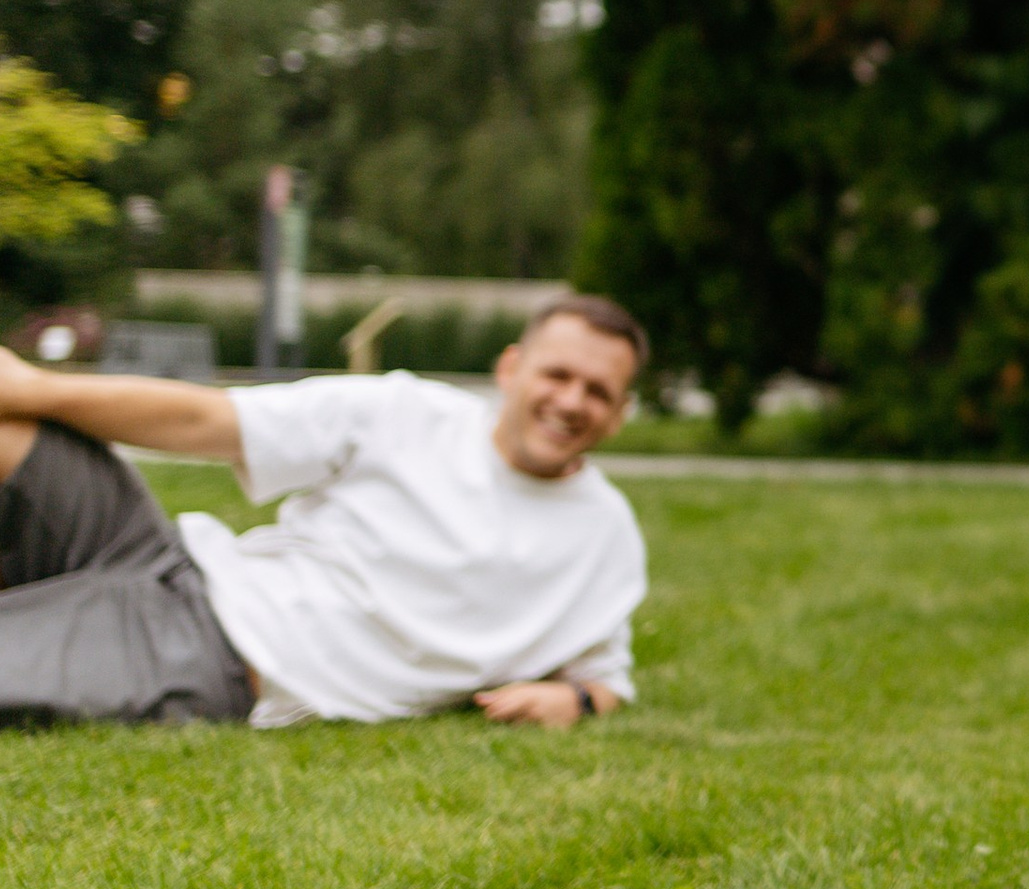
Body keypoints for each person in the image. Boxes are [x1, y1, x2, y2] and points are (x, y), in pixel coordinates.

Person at [0, 293, 649, 730]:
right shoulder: (404, 412)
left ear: (619, 415)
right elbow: (208, 419)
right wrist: (33, 387)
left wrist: (576, 699)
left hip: (217, 654)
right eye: (557, 375)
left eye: (598, 392)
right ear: (511, 368)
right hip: (166, 556)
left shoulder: (605, 535)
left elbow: (605, 674)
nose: (571, 401)